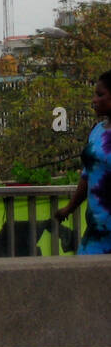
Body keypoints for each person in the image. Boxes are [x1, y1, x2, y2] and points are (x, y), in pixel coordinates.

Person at [55, 70, 111, 254]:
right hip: (97, 230)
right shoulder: (98, 131)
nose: (94, 100)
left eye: (100, 94)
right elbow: (88, 175)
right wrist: (69, 208)